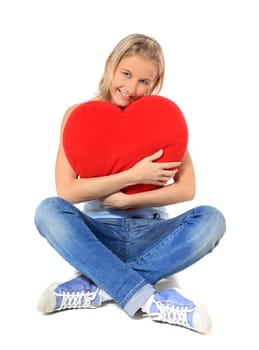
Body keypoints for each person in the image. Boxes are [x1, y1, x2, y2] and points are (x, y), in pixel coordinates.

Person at [34, 33, 226, 334]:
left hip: (154, 236)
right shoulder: (78, 116)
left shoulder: (161, 121)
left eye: (144, 82)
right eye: (126, 74)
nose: (132, 88)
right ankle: (149, 299)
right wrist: (132, 177)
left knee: (212, 220)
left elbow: (187, 189)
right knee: (48, 210)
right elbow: (67, 192)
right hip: (97, 236)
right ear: (111, 64)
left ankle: (102, 285)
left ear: (155, 84)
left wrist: (126, 200)